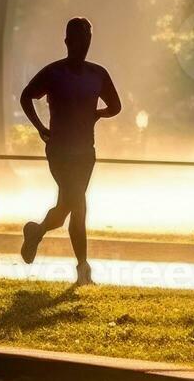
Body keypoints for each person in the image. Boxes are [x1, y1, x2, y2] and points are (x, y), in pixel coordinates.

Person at [19, 17, 122, 285]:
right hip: (60, 151)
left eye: (87, 40)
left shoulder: (97, 74)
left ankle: (37, 232)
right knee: (78, 204)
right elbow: (26, 95)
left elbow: (116, 106)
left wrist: (97, 114)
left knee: (68, 206)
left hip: (85, 153)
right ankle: (83, 270)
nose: (82, 46)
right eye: (77, 40)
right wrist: (41, 128)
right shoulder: (53, 73)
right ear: (67, 42)